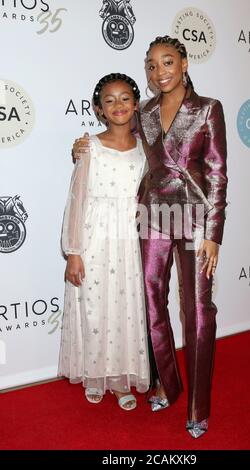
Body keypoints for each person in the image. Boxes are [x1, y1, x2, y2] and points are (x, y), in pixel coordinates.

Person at [73, 35, 227, 438]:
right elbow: (117, 139)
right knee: (151, 303)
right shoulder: (143, 110)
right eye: (152, 65)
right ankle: (167, 385)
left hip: (194, 218)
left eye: (168, 62)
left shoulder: (209, 109)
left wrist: (214, 233)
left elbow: (216, 173)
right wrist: (82, 145)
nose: (160, 72)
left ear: (185, 63)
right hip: (151, 216)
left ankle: (198, 407)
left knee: (197, 312)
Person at [58, 73, 149, 411]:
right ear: (98, 108)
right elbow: (77, 198)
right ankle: (96, 376)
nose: (118, 105)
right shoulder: (89, 146)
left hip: (129, 242)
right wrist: (74, 252)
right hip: (95, 238)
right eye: (109, 100)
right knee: (95, 309)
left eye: (125, 98)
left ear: (136, 103)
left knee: (125, 312)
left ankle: (119, 379)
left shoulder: (145, 148)